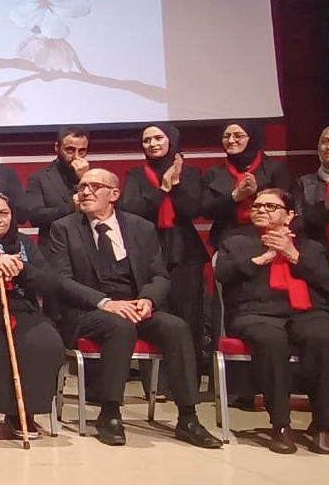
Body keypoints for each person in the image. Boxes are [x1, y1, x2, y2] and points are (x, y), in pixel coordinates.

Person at [42, 168, 222, 449]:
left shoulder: (141, 228)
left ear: (114, 194)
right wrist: (106, 303)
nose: (85, 192)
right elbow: (61, 281)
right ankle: (110, 413)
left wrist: (148, 300)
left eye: (94, 186)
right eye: (82, 187)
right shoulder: (63, 228)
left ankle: (188, 417)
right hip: (88, 310)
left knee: (176, 327)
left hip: (135, 304)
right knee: (120, 327)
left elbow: (159, 276)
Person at [214, 188, 329, 454]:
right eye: (257, 206)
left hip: (306, 313)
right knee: (271, 340)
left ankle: (323, 424)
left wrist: (292, 255)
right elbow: (223, 274)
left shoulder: (311, 247)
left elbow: (325, 282)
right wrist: (262, 258)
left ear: (289, 215)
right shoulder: (236, 242)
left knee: (323, 336)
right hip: (255, 314)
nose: (261, 210)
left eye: (270, 206)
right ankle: (280, 425)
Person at [120, 124, 209, 391]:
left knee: (187, 316)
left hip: (184, 251)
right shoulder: (136, 174)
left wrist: (176, 185)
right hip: (149, 249)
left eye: (158, 138)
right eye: (147, 140)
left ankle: (187, 384)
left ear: (172, 141)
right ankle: (156, 385)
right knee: (153, 314)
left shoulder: (190, 173)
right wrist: (162, 188)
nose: (152, 144)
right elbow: (130, 209)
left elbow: (193, 209)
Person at [0, 192, 66, 440]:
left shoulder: (24, 244)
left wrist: (22, 269)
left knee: (44, 343)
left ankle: (21, 412)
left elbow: (49, 283)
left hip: (21, 308)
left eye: (4, 213)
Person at [201, 122, 295, 249]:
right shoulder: (214, 173)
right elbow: (206, 211)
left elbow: (288, 204)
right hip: (226, 239)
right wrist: (234, 197)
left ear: (252, 138)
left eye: (238, 136)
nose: (231, 140)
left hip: (269, 237)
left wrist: (257, 193)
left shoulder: (276, 169)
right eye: (226, 136)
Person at [25, 127, 90, 238]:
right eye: (70, 150)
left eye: (81, 151)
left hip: (86, 242)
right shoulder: (40, 178)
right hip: (53, 243)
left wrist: (85, 179)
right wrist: (71, 207)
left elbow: (106, 211)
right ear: (57, 147)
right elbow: (35, 217)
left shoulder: (94, 177)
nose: (76, 157)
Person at [293, 125, 329, 246]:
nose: (328, 147)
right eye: (324, 142)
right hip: (315, 250)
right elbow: (299, 223)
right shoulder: (303, 183)